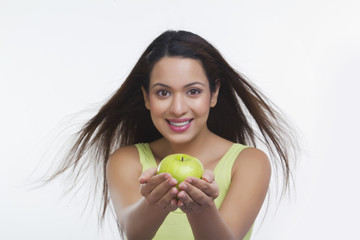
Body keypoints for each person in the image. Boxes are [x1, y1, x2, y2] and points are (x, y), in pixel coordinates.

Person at [48, 30, 297, 240]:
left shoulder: (248, 162)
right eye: (163, 93)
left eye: (193, 91)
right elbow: (134, 233)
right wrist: (155, 203)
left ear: (214, 93)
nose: (178, 108)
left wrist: (202, 209)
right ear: (147, 97)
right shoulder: (127, 160)